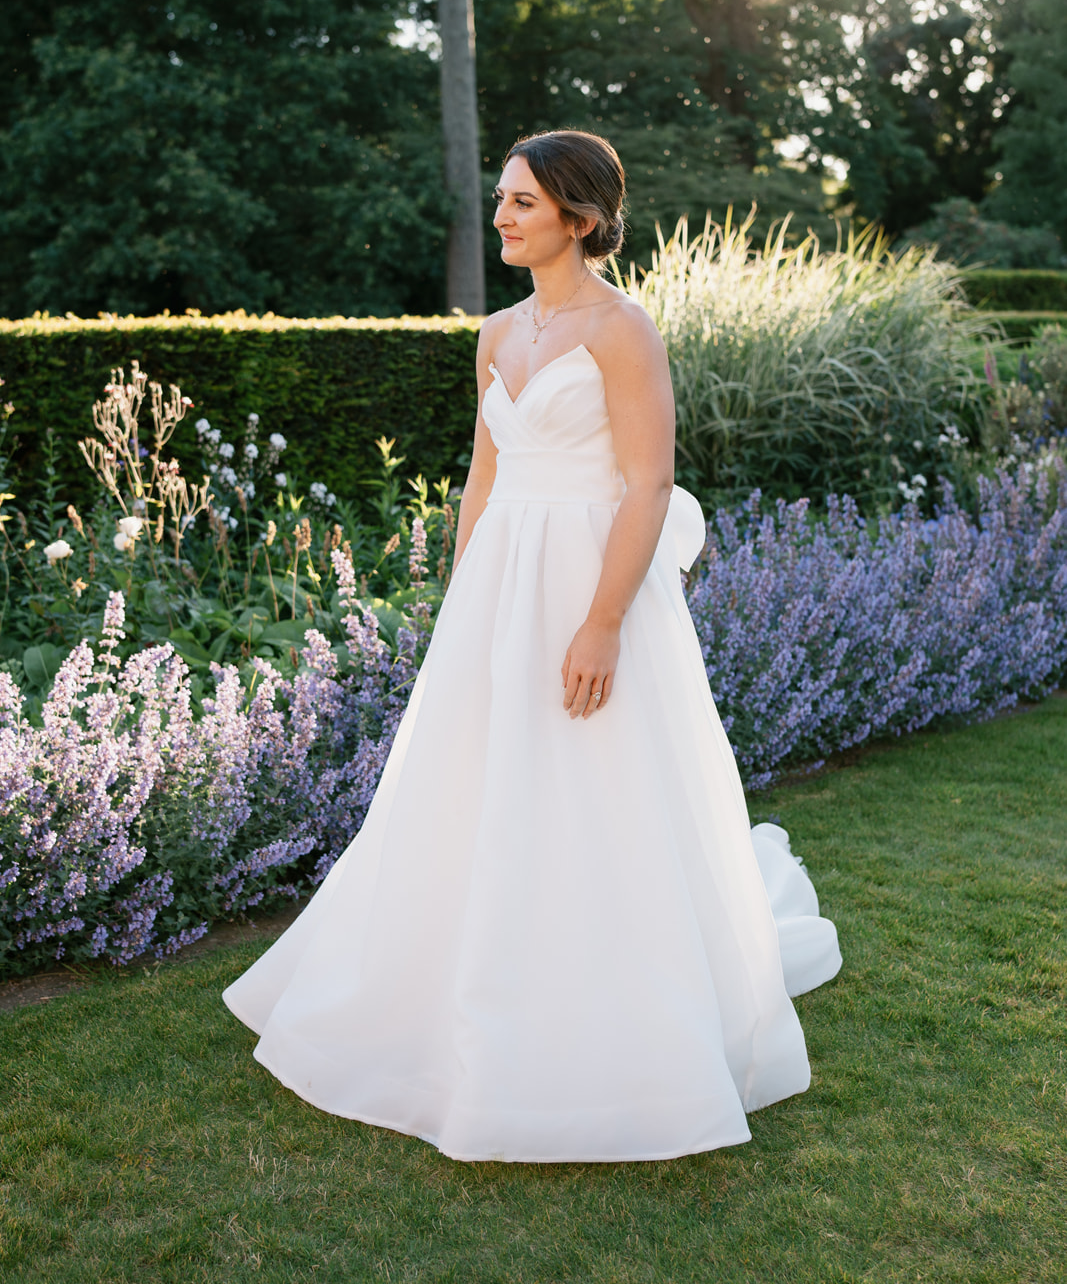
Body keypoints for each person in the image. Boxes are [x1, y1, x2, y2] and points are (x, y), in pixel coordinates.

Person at [224, 128, 841, 1162]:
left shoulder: (621, 330)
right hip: (503, 579)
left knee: (596, 780)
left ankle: (605, 996)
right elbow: (484, 473)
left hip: (592, 577)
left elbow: (646, 483)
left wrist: (598, 621)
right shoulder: (497, 334)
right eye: (502, 199)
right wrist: (467, 595)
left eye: (520, 203)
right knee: (472, 782)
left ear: (579, 219)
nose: (502, 216)